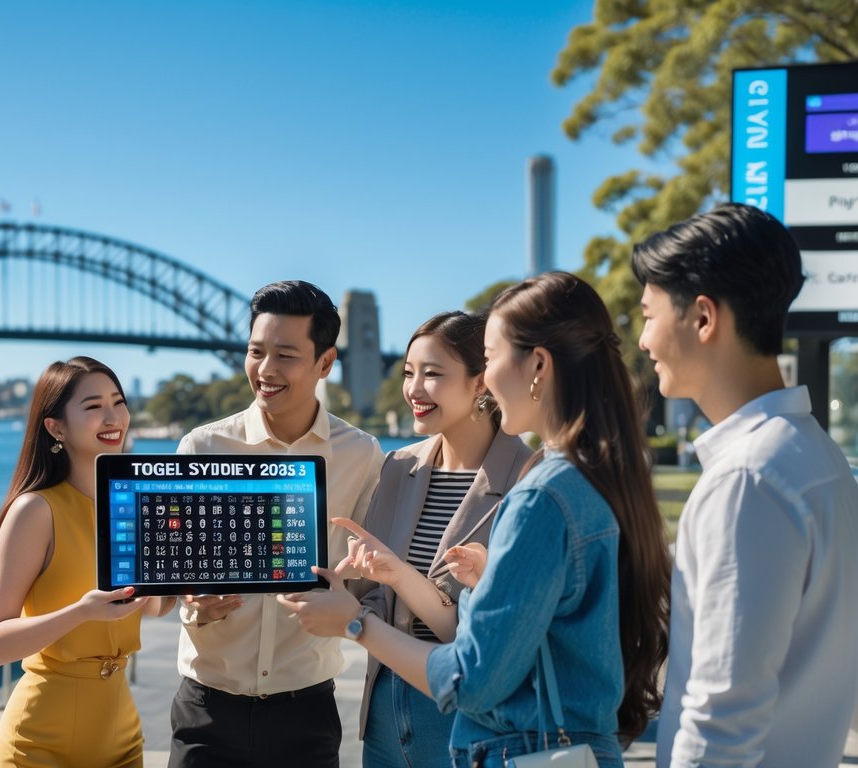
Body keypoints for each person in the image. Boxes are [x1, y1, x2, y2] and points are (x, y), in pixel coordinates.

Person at [280, 272, 670, 768]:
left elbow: (472, 678)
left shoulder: (541, 494)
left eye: (489, 359)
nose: (487, 378)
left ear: (538, 366)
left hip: (518, 747)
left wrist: (357, 626)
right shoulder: (592, 476)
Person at [632, 203, 858, 768]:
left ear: (703, 318)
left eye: (647, 315)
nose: (642, 340)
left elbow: (720, 721)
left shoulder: (748, 479)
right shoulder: (816, 455)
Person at [169, 280, 385, 768]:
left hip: (305, 713)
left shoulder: (361, 454)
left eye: (285, 355)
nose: (265, 370)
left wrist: (349, 601)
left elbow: (372, 576)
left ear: (325, 363)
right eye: (255, 351)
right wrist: (192, 603)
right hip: (206, 710)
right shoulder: (201, 449)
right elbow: (174, 579)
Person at [348, 311, 533, 767]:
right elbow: (374, 595)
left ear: (480, 382)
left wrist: (373, 602)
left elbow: (490, 630)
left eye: (432, 374)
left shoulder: (527, 478)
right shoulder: (397, 466)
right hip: (387, 711)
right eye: (409, 373)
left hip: (469, 717)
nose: (413, 389)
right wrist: (347, 588)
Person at [0, 356, 171, 768]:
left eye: (118, 402)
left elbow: (150, 605)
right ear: (56, 427)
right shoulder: (36, 510)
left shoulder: (133, 508)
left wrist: (188, 593)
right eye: (93, 406)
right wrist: (81, 613)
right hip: (38, 744)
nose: (112, 416)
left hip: (121, 738)